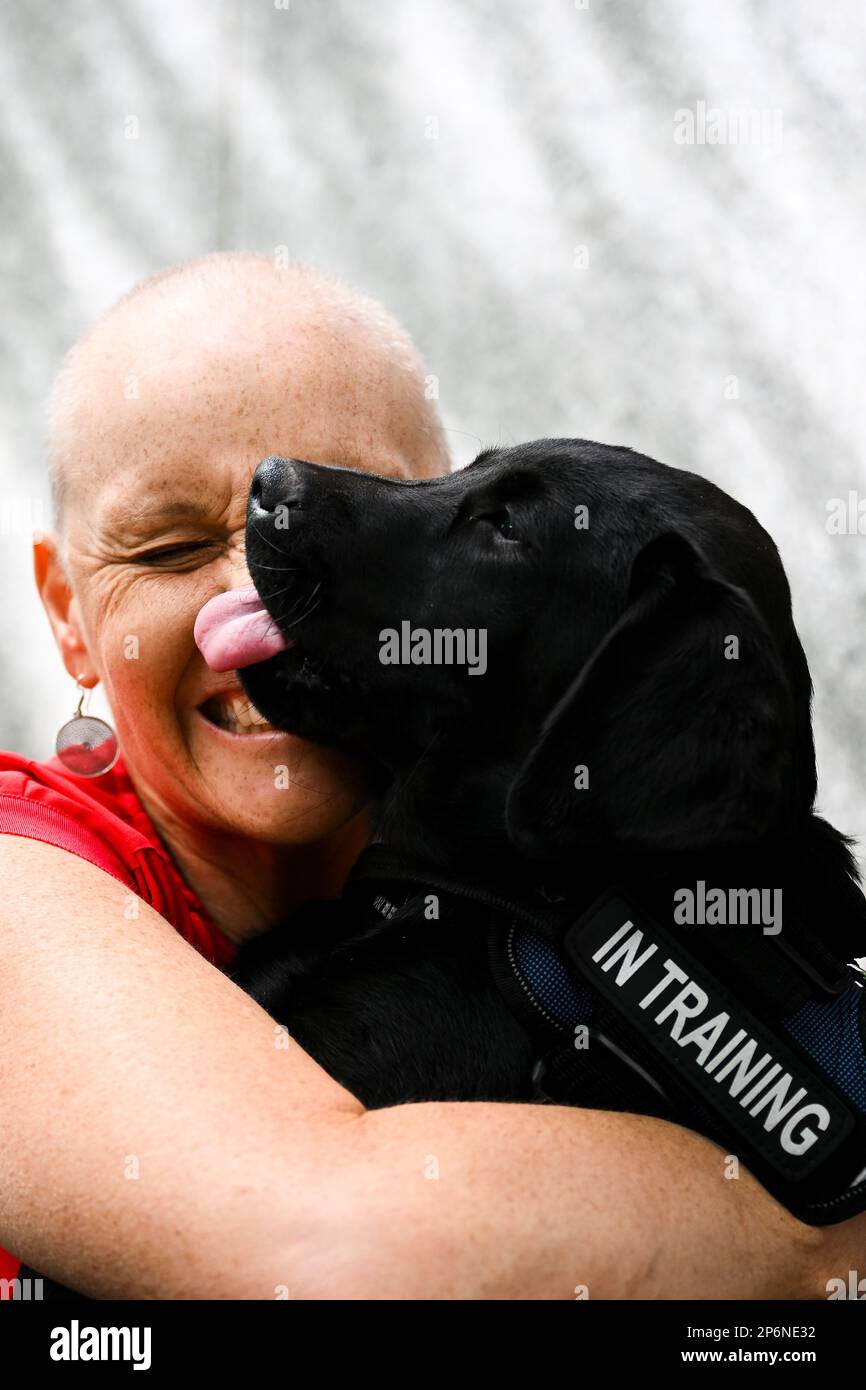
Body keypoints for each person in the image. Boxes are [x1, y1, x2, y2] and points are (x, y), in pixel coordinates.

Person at [0, 253, 861, 1300]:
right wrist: (818, 1233)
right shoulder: (18, 885)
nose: (245, 587)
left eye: (451, 511)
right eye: (171, 545)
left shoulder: (589, 909)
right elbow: (319, 1254)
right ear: (66, 617)